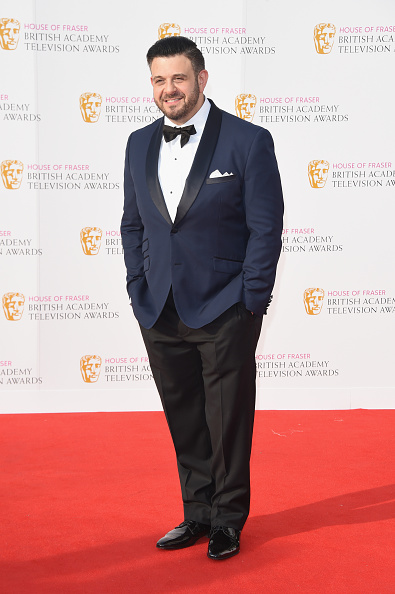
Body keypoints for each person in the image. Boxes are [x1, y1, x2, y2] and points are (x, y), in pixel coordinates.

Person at [121, 36, 283, 560]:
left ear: (202, 79)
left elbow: (266, 229)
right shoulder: (138, 143)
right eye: (159, 80)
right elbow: (132, 224)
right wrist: (136, 285)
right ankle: (197, 513)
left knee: (226, 418)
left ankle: (229, 520)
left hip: (224, 306)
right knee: (184, 415)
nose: (169, 89)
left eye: (179, 78)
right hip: (159, 306)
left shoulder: (247, 141)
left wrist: (251, 302)